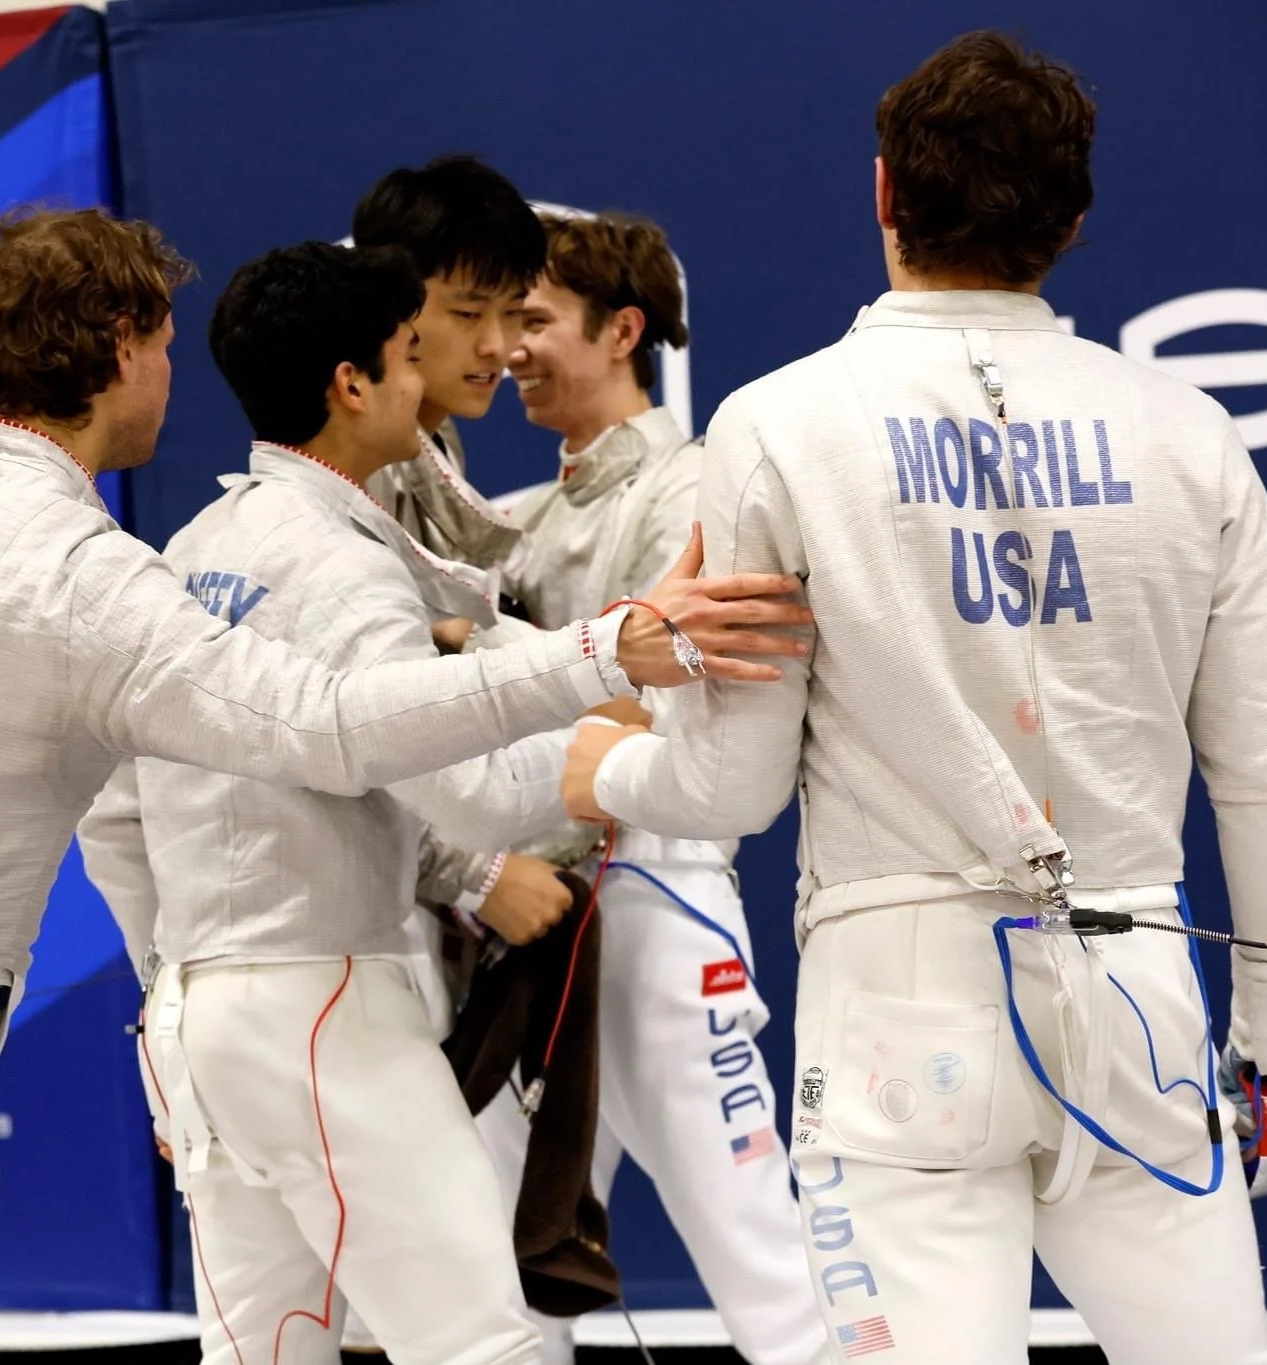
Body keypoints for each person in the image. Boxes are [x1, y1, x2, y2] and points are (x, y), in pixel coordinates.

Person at [0, 207, 803, 1365]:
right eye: (154, 340)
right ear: (113, 349)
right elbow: (335, 728)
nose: (168, 370)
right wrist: (595, 659)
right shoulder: (89, 581)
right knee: (487, 1341)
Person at [562, 32, 1267, 1365]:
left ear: (883, 193)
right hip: (1142, 989)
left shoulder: (779, 422)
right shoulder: (1191, 433)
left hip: (897, 1011)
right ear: (1074, 219)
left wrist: (603, 772)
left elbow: (734, 785)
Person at [83, 242, 799, 1365]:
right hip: (333, 997)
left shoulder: (189, 550)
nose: (455, 375)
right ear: (352, 383)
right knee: (485, 1345)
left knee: (266, 1351)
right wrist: (588, 739)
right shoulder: (342, 564)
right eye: (415, 353)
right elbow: (461, 787)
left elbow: (116, 813)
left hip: (206, 1010)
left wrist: (166, 1002)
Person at [447, 209, 826, 1365]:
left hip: (658, 896)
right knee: (501, 1262)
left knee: (755, 1247)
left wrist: (479, 653)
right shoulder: (523, 515)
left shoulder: (700, 487)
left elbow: (664, 707)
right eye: (501, 320)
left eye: (535, 320)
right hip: (541, 915)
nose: (510, 347)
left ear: (621, 331)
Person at [351, 155, 584, 960]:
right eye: (467, 311)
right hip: (345, 922)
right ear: (391, 301)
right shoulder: (358, 457)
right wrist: (476, 873)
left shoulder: (432, 440)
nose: (498, 346)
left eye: (514, 313)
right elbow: (352, 719)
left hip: (402, 907)